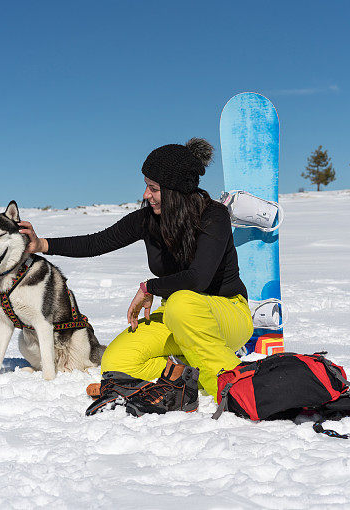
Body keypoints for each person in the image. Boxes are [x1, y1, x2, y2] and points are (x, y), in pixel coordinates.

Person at [18, 138, 253, 413]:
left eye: (153, 188)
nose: (145, 194)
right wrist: (42, 244)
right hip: (177, 318)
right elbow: (96, 243)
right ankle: (189, 373)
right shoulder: (148, 220)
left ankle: (232, 388)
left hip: (227, 314)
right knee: (117, 360)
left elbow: (198, 278)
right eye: (146, 185)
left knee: (181, 303)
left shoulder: (214, 216)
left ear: (175, 190)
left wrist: (149, 287)